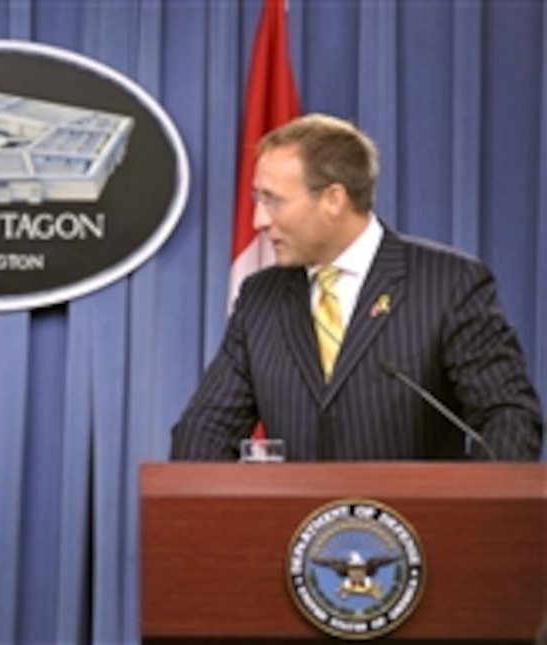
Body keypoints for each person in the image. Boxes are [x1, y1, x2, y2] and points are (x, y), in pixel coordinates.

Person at [171, 114, 542, 461]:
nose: (259, 220)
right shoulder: (260, 297)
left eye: (274, 201)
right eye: (257, 199)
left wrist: (472, 521)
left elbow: (507, 415)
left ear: (334, 199)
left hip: (415, 528)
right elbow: (207, 427)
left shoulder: (449, 283)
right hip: (296, 528)